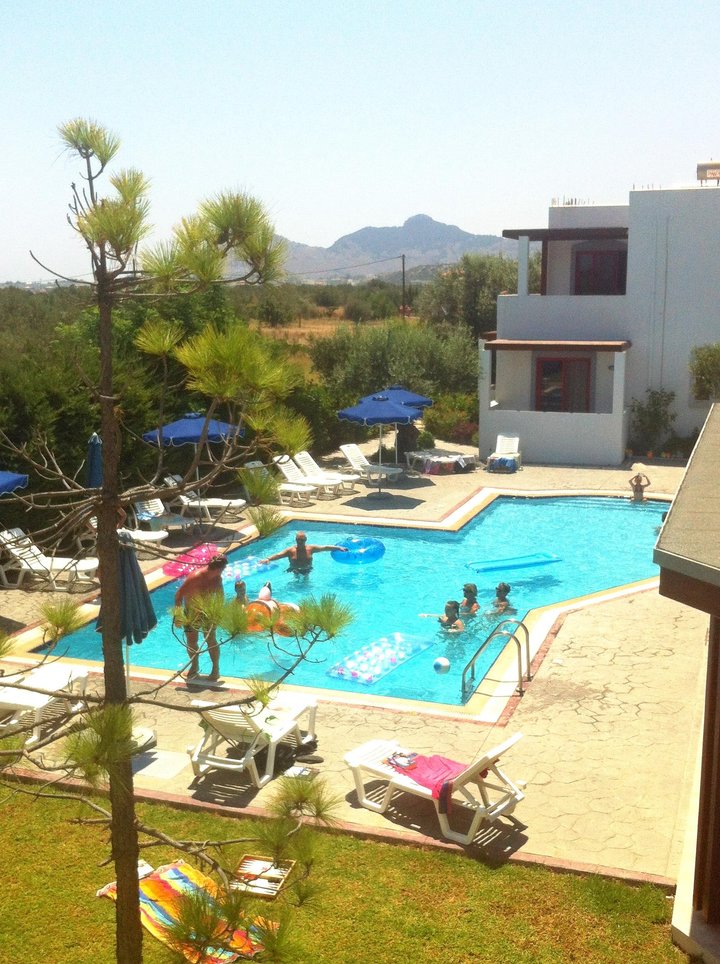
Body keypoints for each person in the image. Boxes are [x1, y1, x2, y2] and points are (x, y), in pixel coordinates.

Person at [174, 554, 228, 680]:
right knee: (192, 641)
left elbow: (220, 597)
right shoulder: (195, 577)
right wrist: (178, 615)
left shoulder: (217, 579)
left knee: (211, 640)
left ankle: (215, 669)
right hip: (192, 613)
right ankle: (194, 666)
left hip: (208, 613)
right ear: (219, 568)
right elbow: (179, 595)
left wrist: (217, 614)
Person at [260, 531, 348, 574]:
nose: (300, 541)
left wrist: (338, 547)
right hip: (294, 569)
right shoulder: (290, 550)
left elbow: (324, 548)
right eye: (298, 540)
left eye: (302, 540)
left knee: (306, 585)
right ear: (296, 540)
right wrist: (268, 559)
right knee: (295, 583)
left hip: (307, 569)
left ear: (305, 540)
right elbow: (279, 555)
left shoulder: (311, 548)